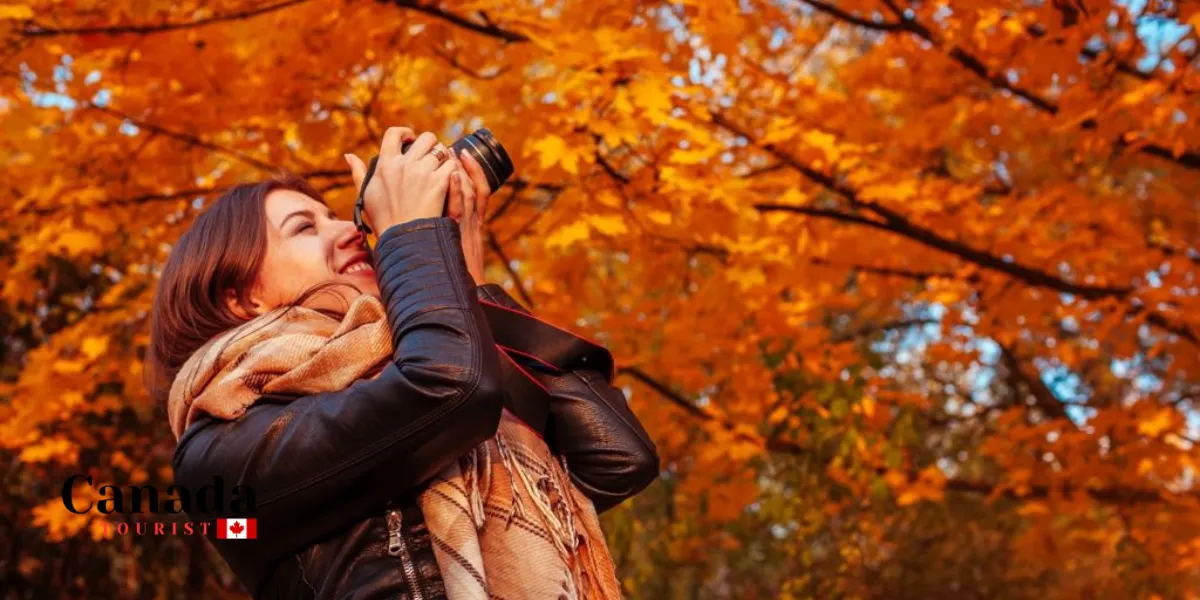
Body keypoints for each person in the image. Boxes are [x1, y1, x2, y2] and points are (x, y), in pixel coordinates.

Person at [146, 126, 659, 599]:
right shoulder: (220, 450)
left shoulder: (427, 352)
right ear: (242, 298)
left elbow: (617, 456)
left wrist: (469, 282)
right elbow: (448, 388)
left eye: (336, 215)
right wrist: (413, 233)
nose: (353, 232)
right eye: (304, 227)